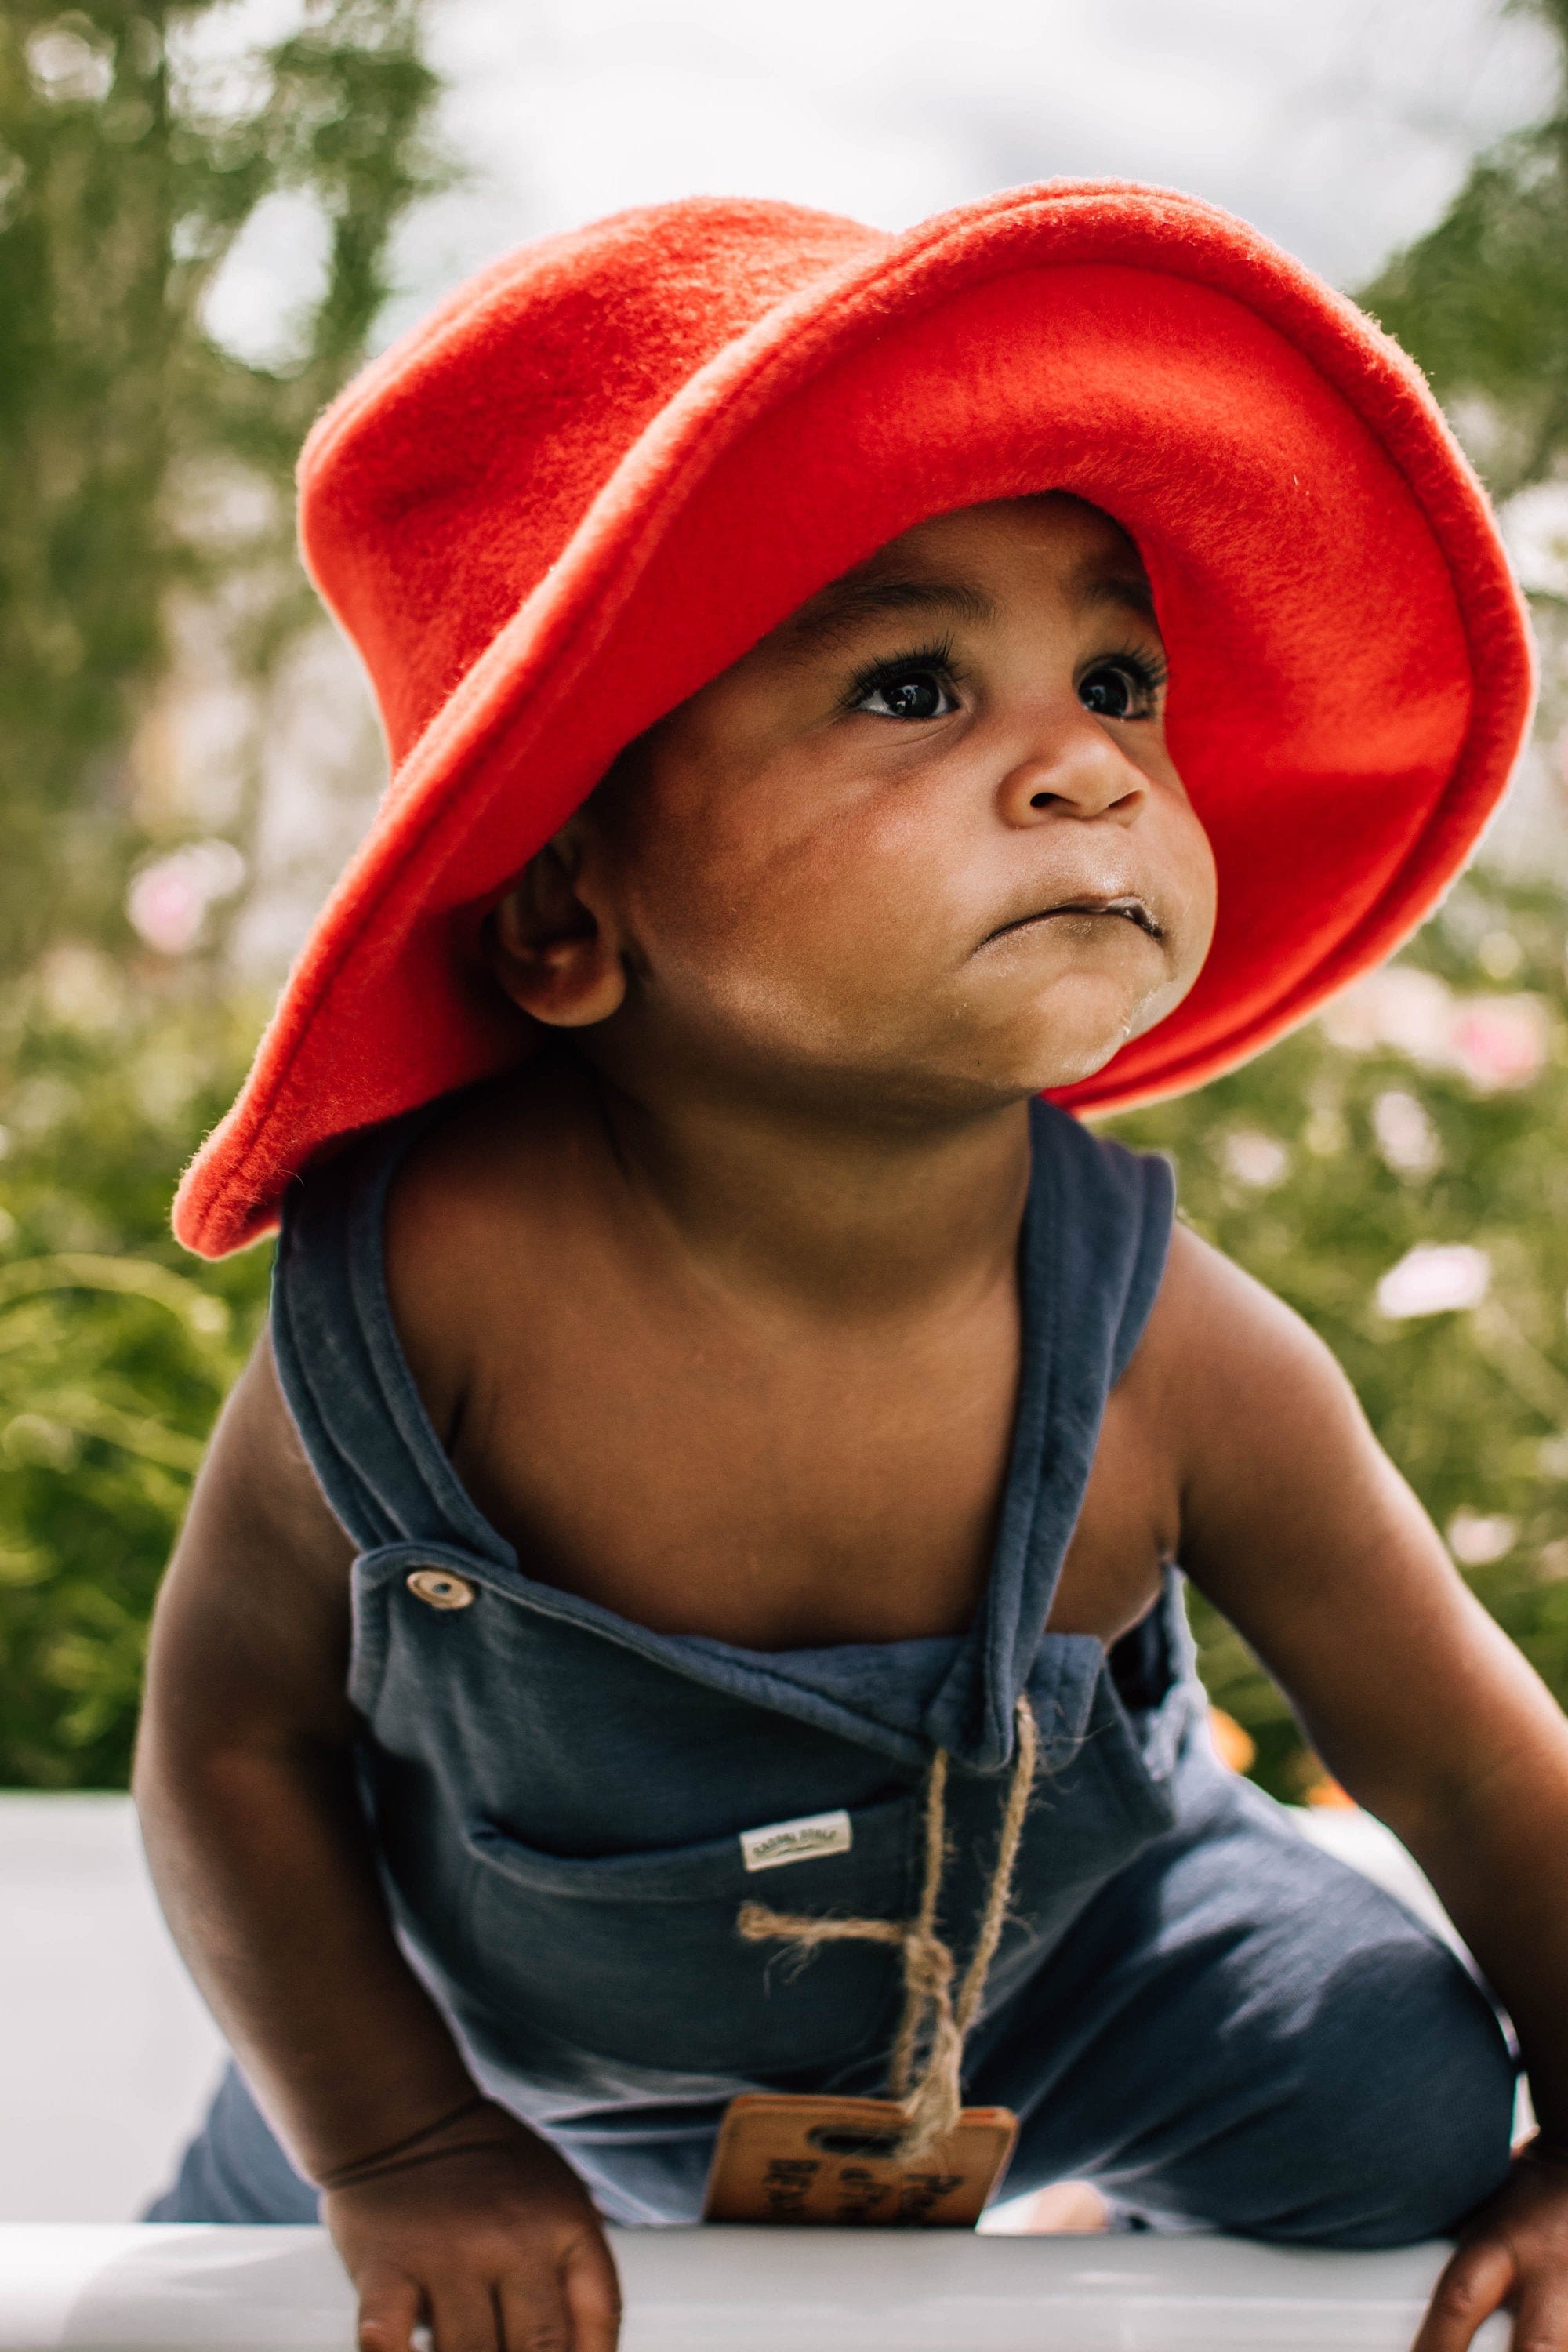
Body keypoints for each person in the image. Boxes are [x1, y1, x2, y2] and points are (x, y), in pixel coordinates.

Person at [134, 183, 1568, 2352]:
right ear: (563, 915)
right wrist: (393, 2146)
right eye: (911, 685)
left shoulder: (1175, 1355)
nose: (1091, 758)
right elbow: (229, 1745)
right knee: (227, 2223)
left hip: (1075, 1992)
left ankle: (1110, 2241)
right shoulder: (436, 1294)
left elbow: (1470, 1761)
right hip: (503, 2053)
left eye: (1119, 677)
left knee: (1402, 2104)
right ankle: (284, 2161)